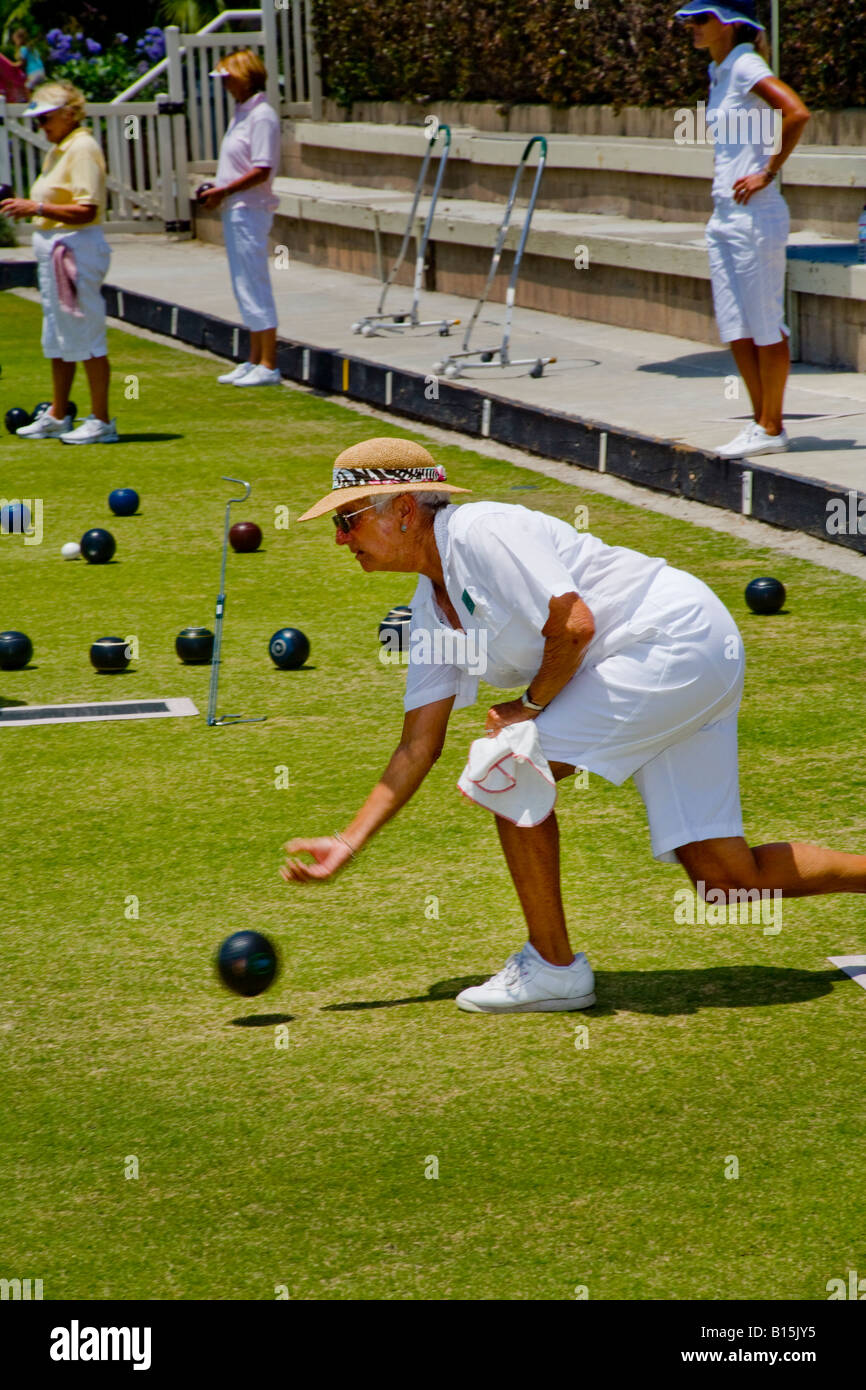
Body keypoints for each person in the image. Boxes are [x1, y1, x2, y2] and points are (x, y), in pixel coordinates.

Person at [279, 437, 866, 1015]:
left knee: (505, 767)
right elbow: (417, 746)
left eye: (348, 520)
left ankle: (554, 969)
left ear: (404, 510)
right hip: (678, 659)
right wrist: (347, 841)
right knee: (727, 880)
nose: (338, 538)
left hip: (672, 641)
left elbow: (575, 625)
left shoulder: (483, 532)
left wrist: (528, 708)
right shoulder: (431, 608)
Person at [675, 1, 810, 459]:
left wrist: (767, 171)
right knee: (736, 326)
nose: (692, 27)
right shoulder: (720, 72)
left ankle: (773, 426)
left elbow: (797, 112)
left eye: (702, 19)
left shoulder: (746, 63)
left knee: (766, 324)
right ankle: (761, 424)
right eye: (689, 20)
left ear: (729, 23)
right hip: (725, 214)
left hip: (756, 214)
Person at [0, 80, 117, 443]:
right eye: (37, 121)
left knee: (86, 332)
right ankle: (57, 413)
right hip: (55, 249)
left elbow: (87, 209)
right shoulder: (59, 148)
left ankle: (102, 421)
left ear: (69, 113)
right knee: (57, 335)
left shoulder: (82, 147)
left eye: (46, 118)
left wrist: (34, 207)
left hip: (76, 249)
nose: (41, 127)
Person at [199, 48, 281, 387]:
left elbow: (262, 170)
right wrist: (217, 188)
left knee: (254, 282)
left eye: (229, 79)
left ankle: (269, 363)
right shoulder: (242, 113)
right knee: (243, 284)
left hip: (251, 209)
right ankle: (252, 359)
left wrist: (223, 191)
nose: (225, 86)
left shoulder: (262, 116)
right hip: (237, 208)